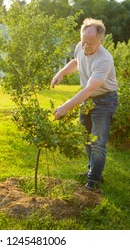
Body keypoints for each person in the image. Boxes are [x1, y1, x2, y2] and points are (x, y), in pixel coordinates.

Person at [50, 18, 118, 192]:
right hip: (88, 100)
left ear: (100, 41)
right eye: (83, 42)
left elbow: (88, 90)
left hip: (104, 100)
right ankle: (93, 171)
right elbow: (77, 62)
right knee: (86, 138)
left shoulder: (104, 60)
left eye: (91, 44)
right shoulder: (81, 47)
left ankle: (93, 181)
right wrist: (62, 73)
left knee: (98, 142)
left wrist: (65, 107)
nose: (86, 47)